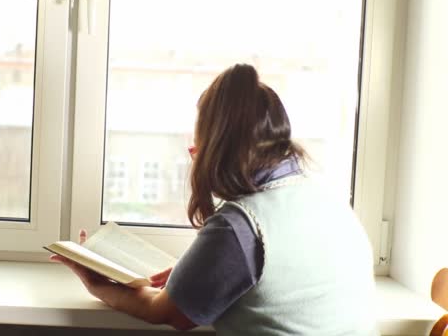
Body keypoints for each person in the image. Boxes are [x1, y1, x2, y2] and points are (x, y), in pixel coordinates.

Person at [51, 63, 377, 335]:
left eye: (197, 147)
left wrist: (95, 283)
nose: (194, 157)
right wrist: (203, 269)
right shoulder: (327, 199)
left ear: (216, 151)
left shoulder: (240, 228)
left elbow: (167, 313)